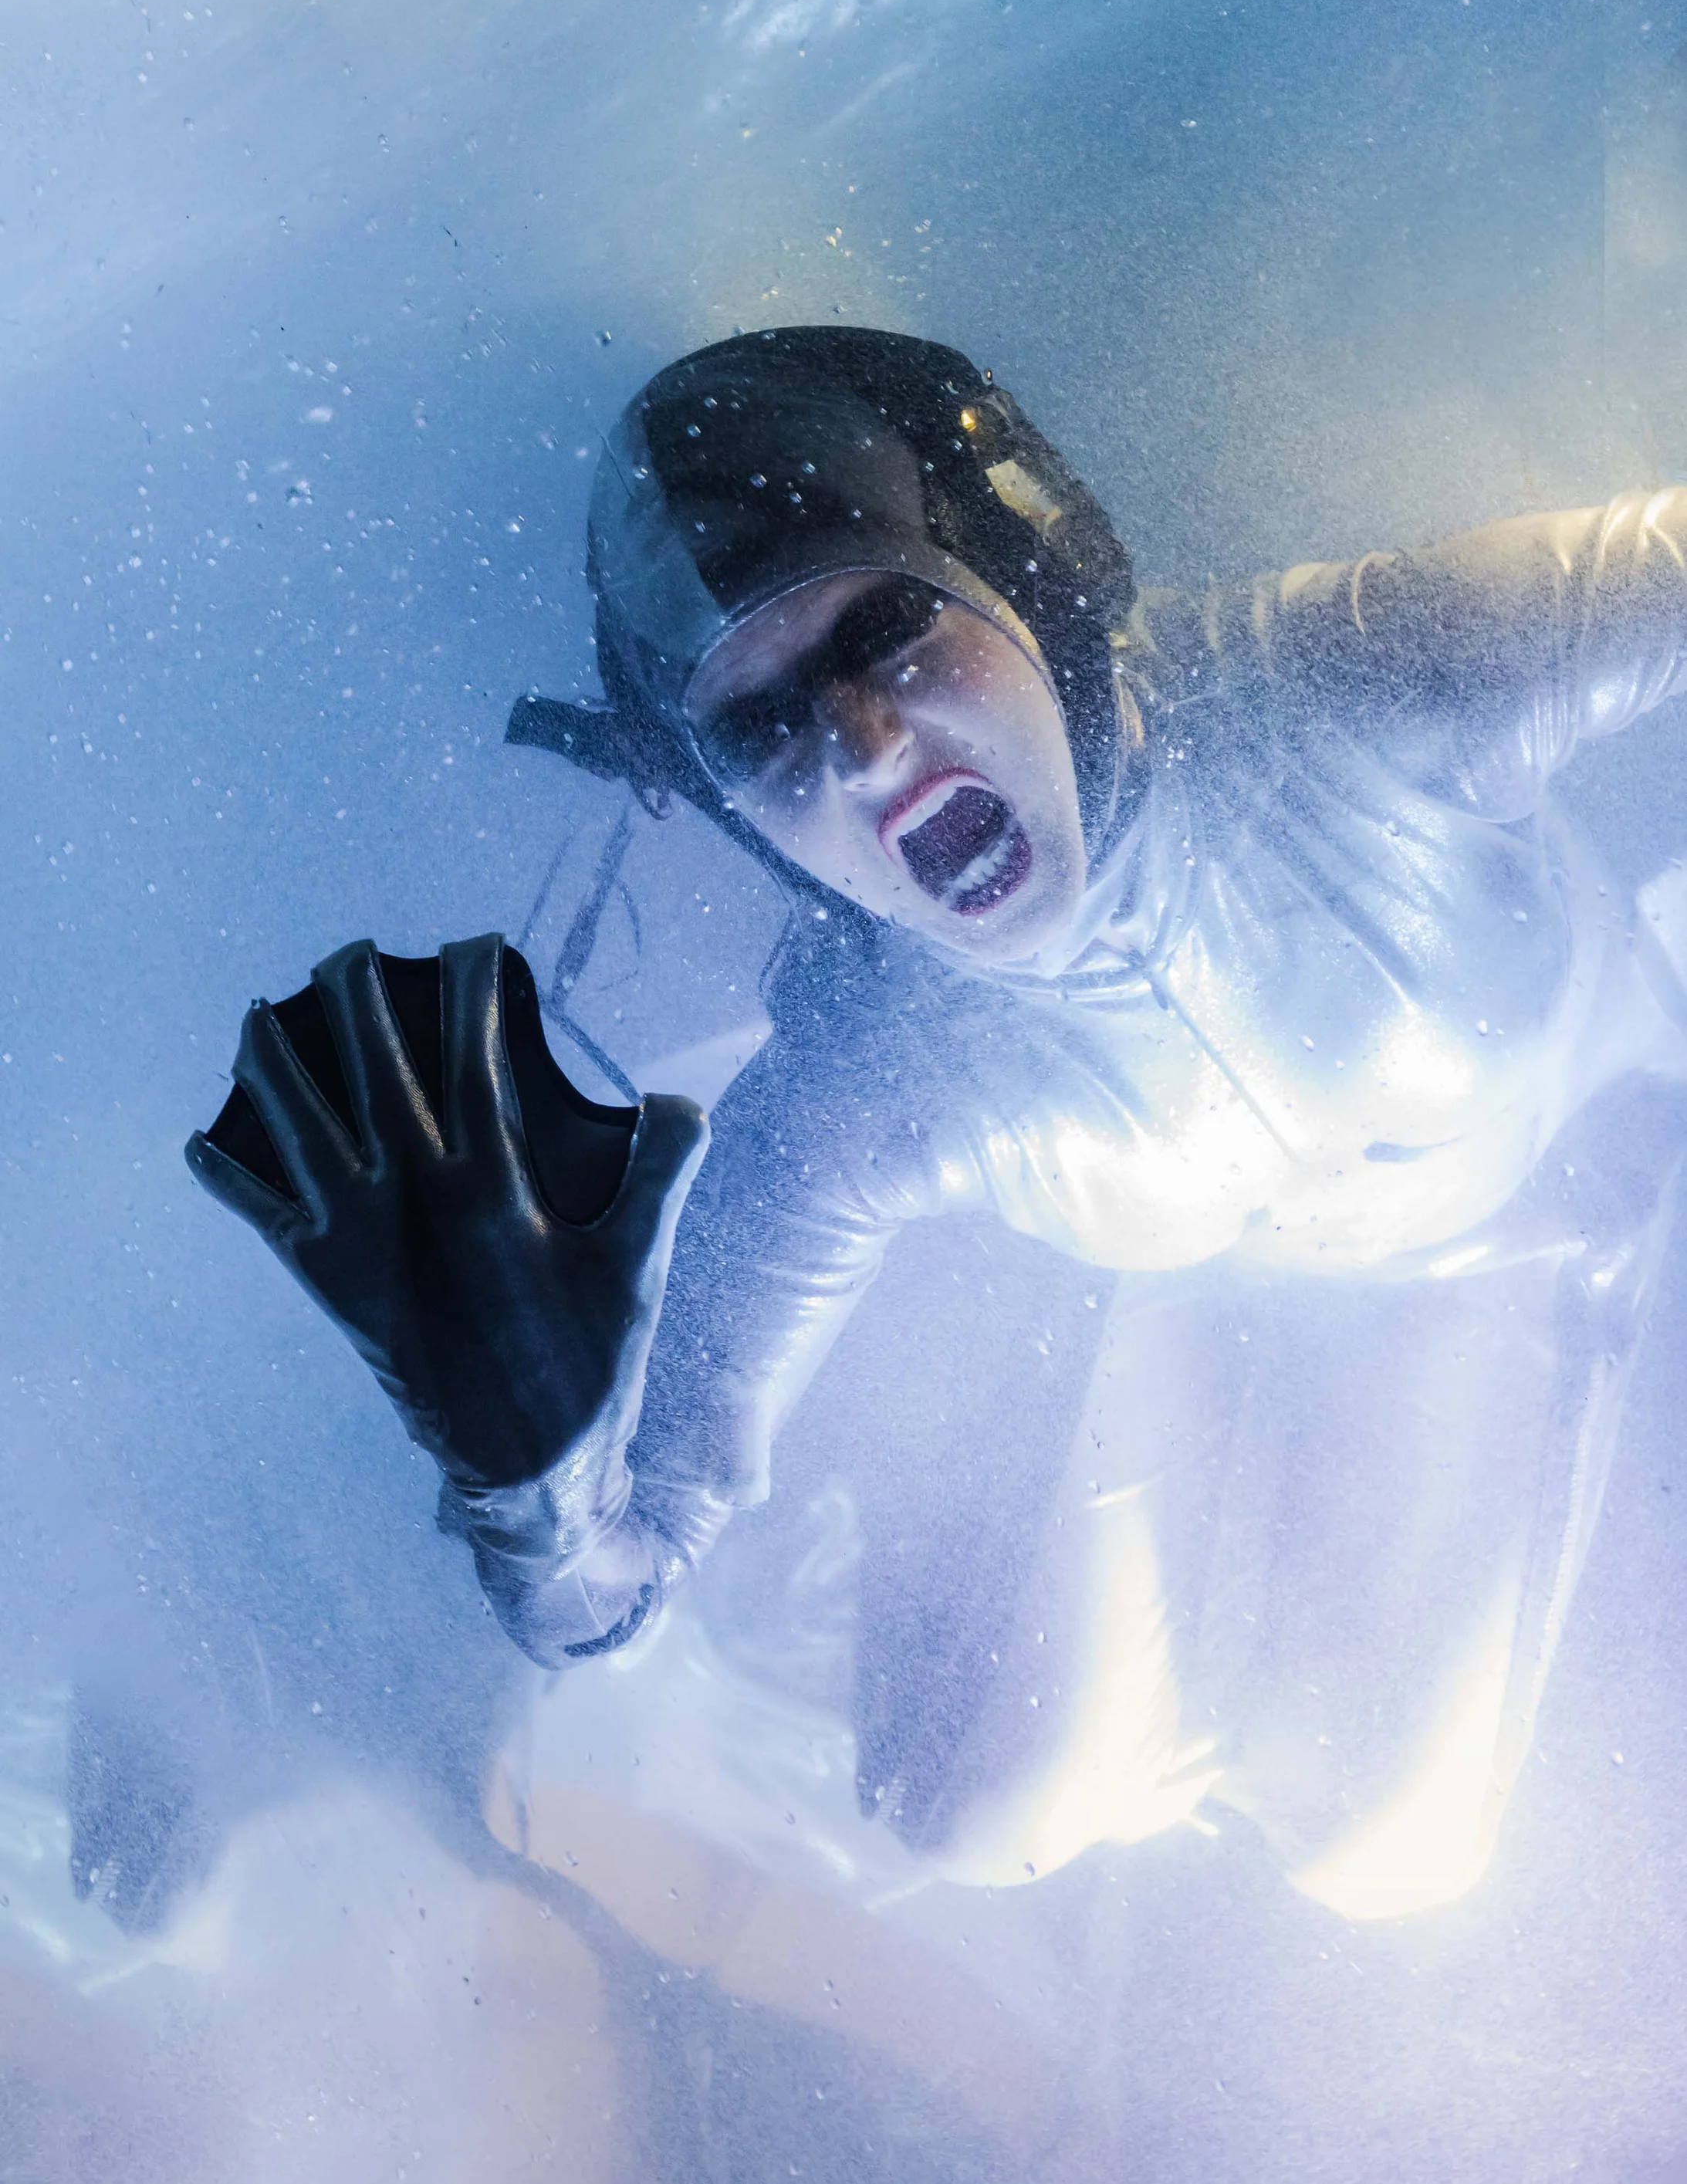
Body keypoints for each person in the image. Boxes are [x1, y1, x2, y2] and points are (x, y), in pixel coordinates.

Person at [192, 326, 1687, 1921]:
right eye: (759, 732)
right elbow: (619, 1589)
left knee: (1384, 1859)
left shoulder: (1354, 683)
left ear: (1023, 577)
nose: (857, 742)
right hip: (1192, 1286)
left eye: (890, 630)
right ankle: (1100, 1456)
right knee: (973, 1817)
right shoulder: (866, 1076)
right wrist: (526, 1471)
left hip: (1512, 1231)